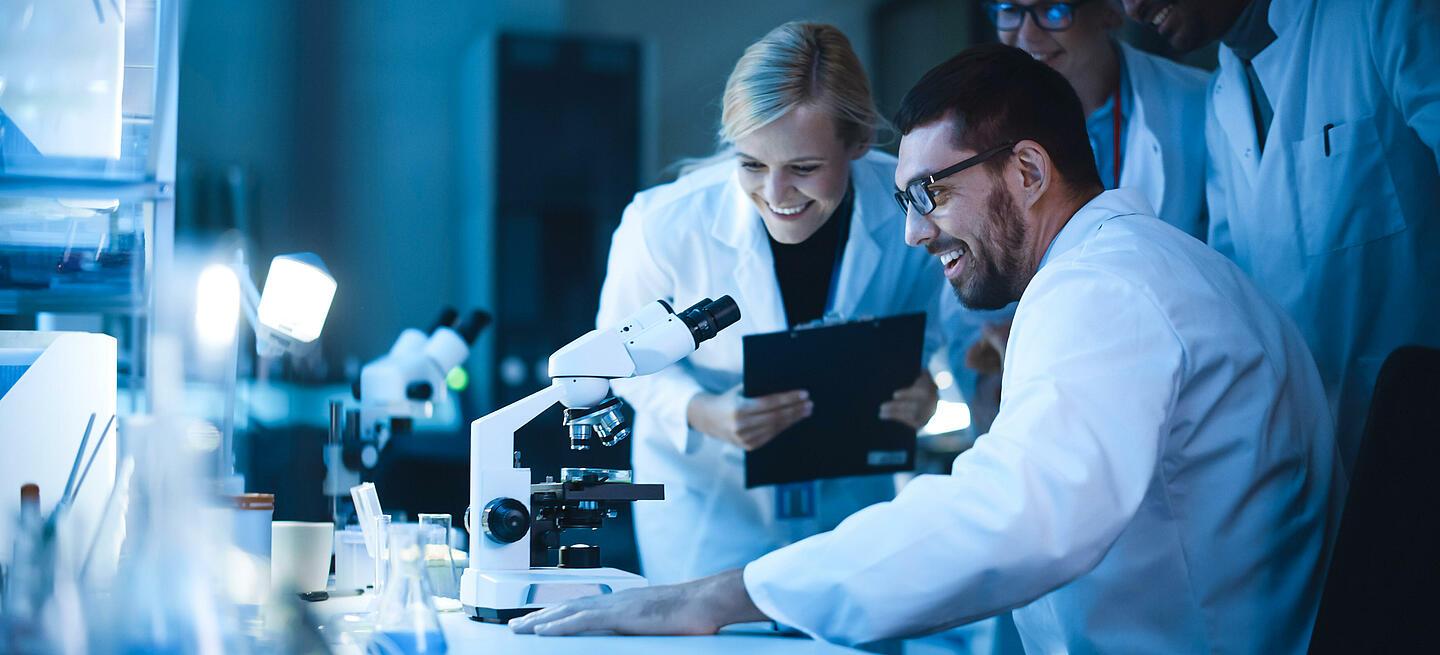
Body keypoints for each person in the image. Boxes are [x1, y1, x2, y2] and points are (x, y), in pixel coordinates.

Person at [510, 44, 1344, 653]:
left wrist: (728, 594)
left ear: (1026, 170)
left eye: (928, 194)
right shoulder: (1134, 265)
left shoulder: (1105, 293)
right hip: (720, 510)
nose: (911, 230)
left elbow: (1013, 516)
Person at [594, 22, 944, 587]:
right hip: (710, 502)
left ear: (856, 144)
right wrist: (702, 412)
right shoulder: (662, 224)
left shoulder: (908, 203)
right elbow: (620, 362)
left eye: (804, 168)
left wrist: (919, 382)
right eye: (752, 164)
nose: (776, 196)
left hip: (852, 493)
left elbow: (933, 322)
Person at [1120, 0, 1440, 472]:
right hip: (1314, 456)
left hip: (1422, 420)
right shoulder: (1221, 95)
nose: (1134, 8)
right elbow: (1237, 299)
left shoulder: (1379, 15)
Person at [954, 0, 1214, 436]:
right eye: (1009, 11)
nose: (1027, 35)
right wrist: (992, 366)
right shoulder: (978, 133)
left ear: (1111, 11)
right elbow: (965, 296)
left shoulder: (1199, 103)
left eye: (1054, 10)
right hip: (1053, 393)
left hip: (1184, 384)